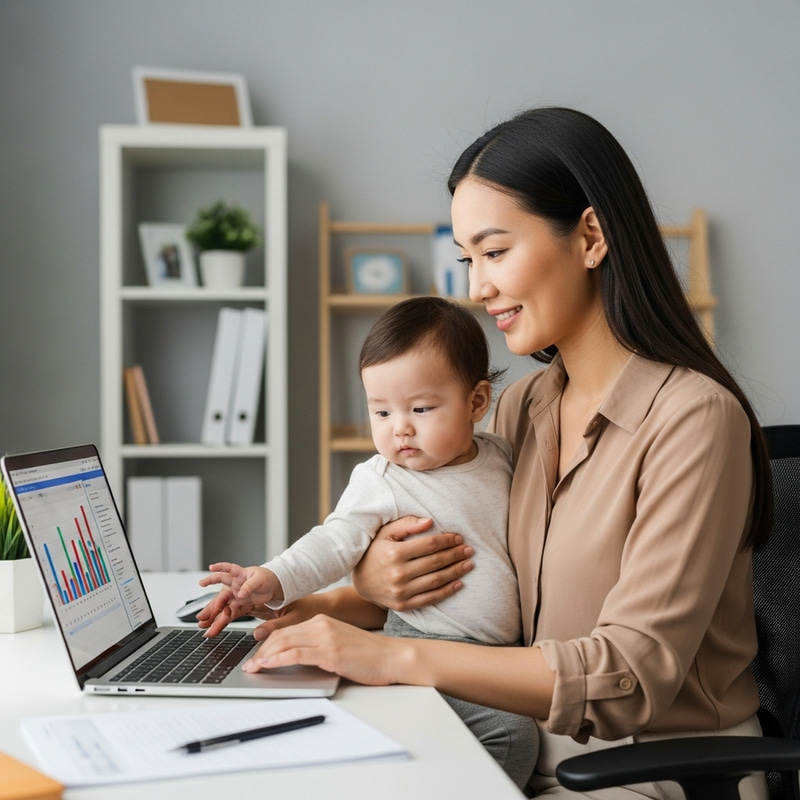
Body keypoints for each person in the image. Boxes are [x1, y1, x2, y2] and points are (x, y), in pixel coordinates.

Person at [200, 107, 773, 799]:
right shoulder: (522, 408)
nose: (477, 288)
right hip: (511, 743)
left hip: (647, 775)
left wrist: (391, 655)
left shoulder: (693, 418)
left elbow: (632, 673)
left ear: (590, 236)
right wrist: (362, 595)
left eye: (495, 252)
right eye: (469, 260)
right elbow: (485, 595)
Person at [198, 295, 538, 788]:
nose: (400, 427)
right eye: (380, 413)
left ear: (477, 402)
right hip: (423, 645)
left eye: (421, 408)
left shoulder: (501, 456)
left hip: (497, 657)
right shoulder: (382, 479)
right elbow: (332, 541)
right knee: (512, 735)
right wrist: (271, 579)